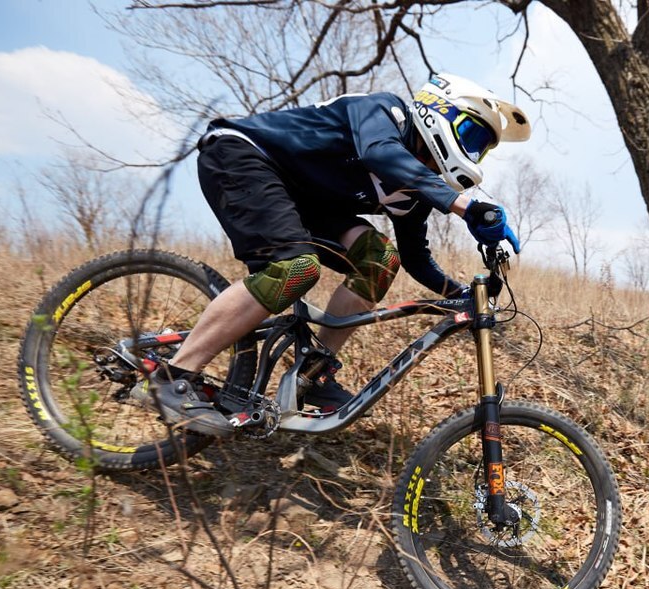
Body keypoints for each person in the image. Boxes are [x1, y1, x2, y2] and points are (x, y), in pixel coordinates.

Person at [135, 73, 531, 435]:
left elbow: (415, 257)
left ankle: (314, 373)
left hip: (303, 199)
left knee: (380, 260)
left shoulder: (413, 194)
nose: (473, 152)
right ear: (437, 109)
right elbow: (380, 154)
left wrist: (458, 291)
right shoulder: (385, 112)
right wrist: (464, 206)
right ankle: (173, 378)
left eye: (481, 149)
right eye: (473, 135)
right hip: (244, 156)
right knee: (295, 268)